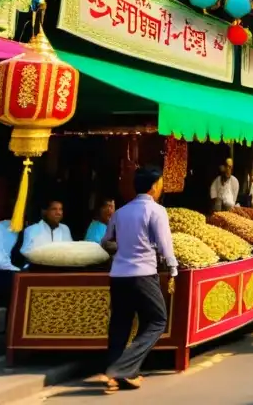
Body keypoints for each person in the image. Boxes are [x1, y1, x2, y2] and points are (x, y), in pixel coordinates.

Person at [102, 167, 178, 393]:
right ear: (154, 186)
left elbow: (106, 242)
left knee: (121, 323)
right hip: (143, 273)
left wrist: (123, 248)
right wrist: (173, 267)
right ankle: (122, 369)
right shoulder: (156, 210)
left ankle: (114, 374)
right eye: (161, 182)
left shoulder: (121, 212)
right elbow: (165, 244)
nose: (162, 186)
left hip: (119, 275)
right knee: (157, 321)